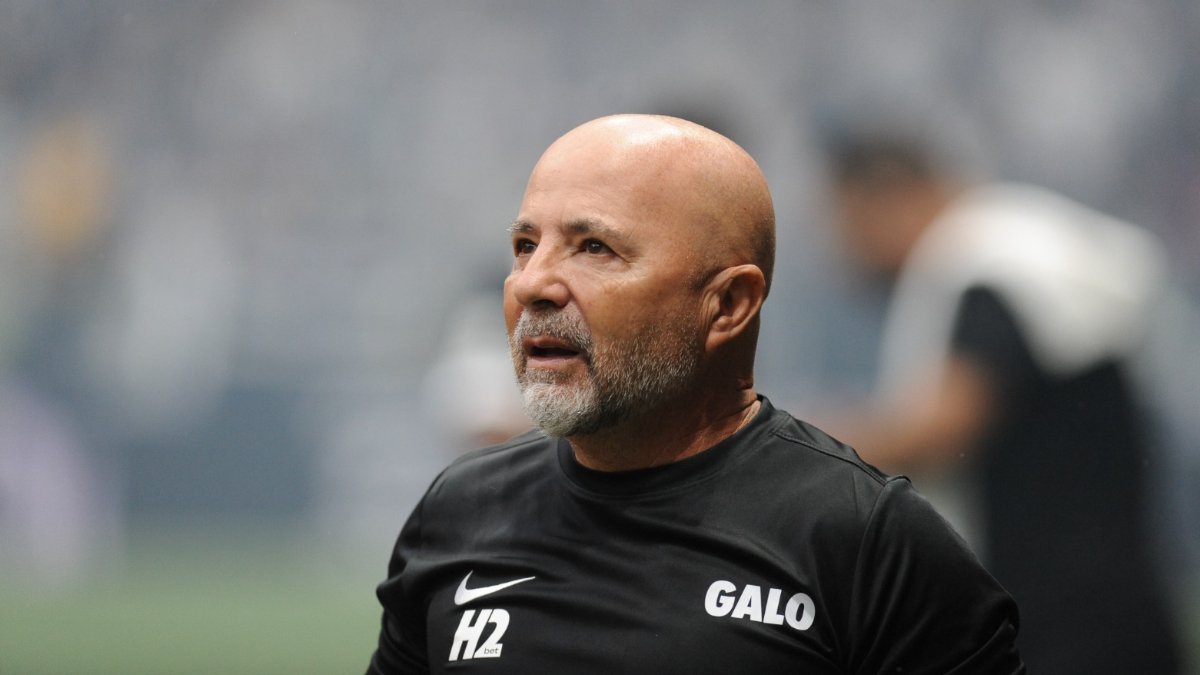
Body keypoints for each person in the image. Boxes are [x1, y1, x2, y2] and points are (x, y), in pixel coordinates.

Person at [366, 114, 1024, 674]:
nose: (533, 284)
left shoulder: (866, 539)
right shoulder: (458, 512)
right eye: (525, 245)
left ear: (729, 304)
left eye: (594, 248)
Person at [818, 132, 1184, 674]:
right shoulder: (1026, 241)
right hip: (1115, 594)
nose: (840, 248)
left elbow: (951, 419)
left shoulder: (986, 260)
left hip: (1069, 620)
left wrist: (799, 444)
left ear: (887, 196)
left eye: (844, 221)